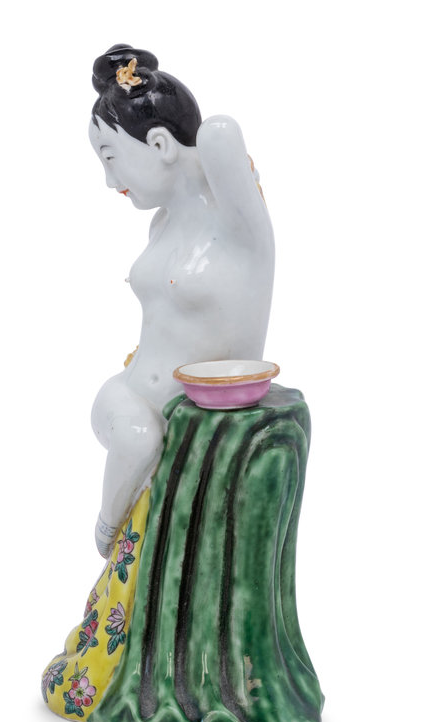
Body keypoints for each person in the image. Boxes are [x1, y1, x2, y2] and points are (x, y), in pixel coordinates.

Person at [88, 44, 274, 556]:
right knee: (135, 437)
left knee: (140, 440)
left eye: (111, 158)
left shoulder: (240, 231)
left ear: (160, 144)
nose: (110, 181)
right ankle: (107, 529)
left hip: (185, 425)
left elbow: (219, 134)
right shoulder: (162, 223)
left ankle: (109, 531)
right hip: (128, 401)